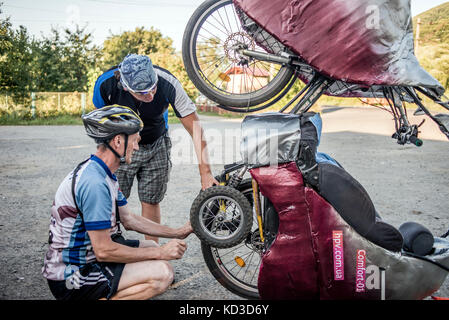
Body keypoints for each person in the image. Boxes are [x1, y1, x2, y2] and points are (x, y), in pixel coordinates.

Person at [42, 105, 193, 300]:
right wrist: (163, 253)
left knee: (152, 249)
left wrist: (178, 232)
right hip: (73, 276)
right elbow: (104, 250)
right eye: (135, 141)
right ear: (118, 140)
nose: (137, 147)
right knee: (162, 273)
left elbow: (129, 220)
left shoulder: (103, 173)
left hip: (87, 258)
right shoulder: (95, 184)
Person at [92, 53, 218, 243]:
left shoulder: (169, 83)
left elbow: (196, 130)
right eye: (142, 93)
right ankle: (108, 248)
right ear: (125, 87)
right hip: (123, 145)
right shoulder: (105, 85)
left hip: (156, 141)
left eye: (153, 88)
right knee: (111, 199)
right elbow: (103, 126)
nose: (150, 95)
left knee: (150, 199)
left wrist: (206, 173)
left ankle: (152, 252)